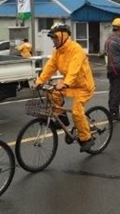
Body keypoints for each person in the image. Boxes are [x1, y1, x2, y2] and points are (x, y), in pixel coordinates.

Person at [32, 24, 95, 152]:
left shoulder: (76, 49)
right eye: (53, 39)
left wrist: (65, 83)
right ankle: (61, 117)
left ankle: (86, 138)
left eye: (55, 38)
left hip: (83, 86)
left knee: (77, 112)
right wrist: (39, 81)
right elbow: (50, 67)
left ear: (63, 36)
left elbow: (74, 69)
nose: (53, 41)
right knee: (52, 93)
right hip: (69, 84)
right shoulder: (57, 51)